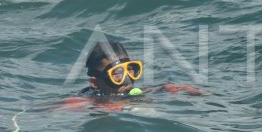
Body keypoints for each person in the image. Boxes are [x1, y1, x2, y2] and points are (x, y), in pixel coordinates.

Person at [69, 40, 202, 103]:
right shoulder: (83, 102)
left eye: (130, 69)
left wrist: (177, 88)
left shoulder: (126, 92)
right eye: (116, 74)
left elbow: (159, 89)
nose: (127, 79)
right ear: (95, 83)